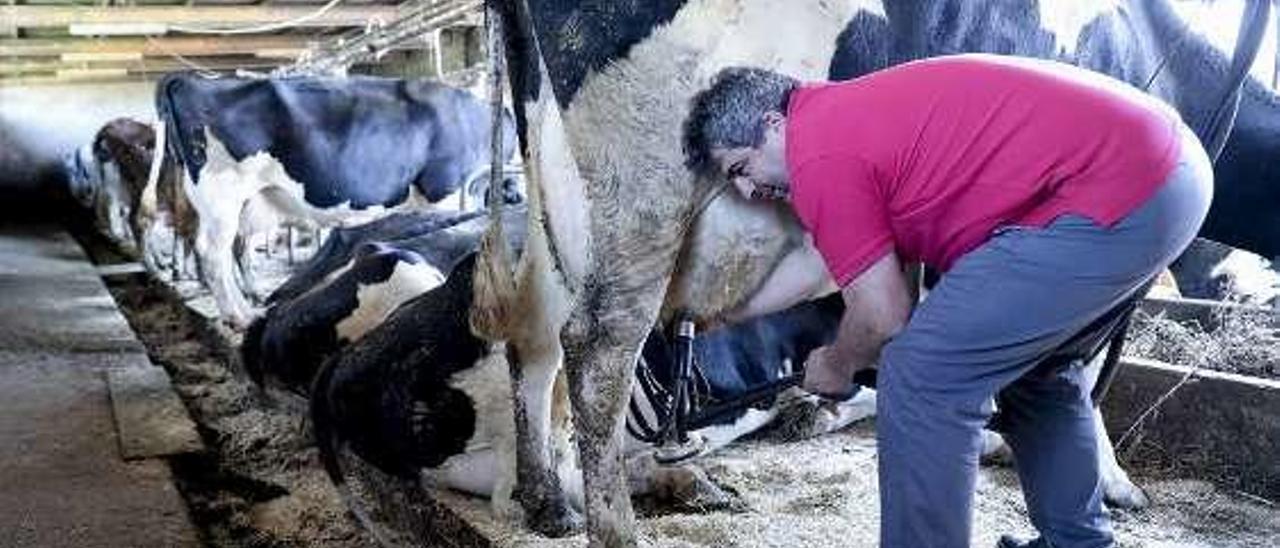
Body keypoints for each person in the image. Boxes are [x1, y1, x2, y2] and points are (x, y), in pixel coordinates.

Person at [681, 54, 1213, 548]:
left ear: (774, 126)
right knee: (1040, 371)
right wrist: (729, 314)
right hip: (1167, 172)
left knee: (923, 375)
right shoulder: (840, 120)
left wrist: (837, 364)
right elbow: (824, 263)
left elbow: (885, 315)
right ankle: (1077, 542)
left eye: (741, 170)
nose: (748, 192)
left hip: (1121, 187)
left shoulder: (819, 154)